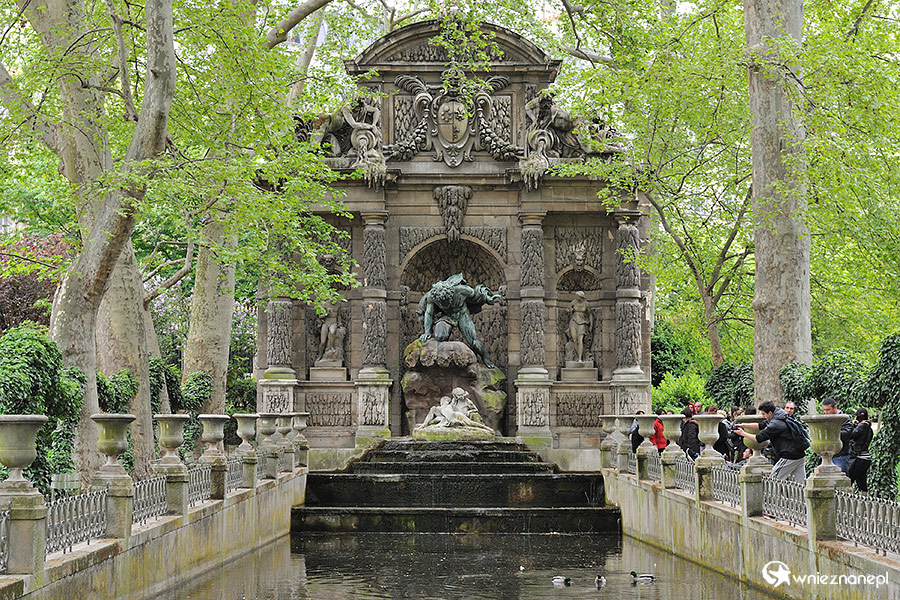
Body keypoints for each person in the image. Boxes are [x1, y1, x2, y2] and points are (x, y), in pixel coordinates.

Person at [417, 274, 503, 368]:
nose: (443, 304)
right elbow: (429, 314)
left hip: (462, 314)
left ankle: (485, 358)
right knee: (440, 336)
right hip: (446, 317)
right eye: (441, 303)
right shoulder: (431, 296)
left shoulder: (463, 290)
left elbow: (477, 295)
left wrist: (488, 298)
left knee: (473, 342)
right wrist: (427, 332)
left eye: (445, 301)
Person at [734, 401, 807, 483]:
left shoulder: (776, 424)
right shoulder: (779, 416)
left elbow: (759, 438)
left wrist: (743, 433)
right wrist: (744, 425)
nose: (763, 416)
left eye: (763, 414)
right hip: (800, 455)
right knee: (800, 484)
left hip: (790, 456)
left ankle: (770, 496)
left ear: (770, 413)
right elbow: (760, 426)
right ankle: (800, 496)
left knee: (773, 480)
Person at [823, 397, 854, 474]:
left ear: (835, 407)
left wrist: (832, 432)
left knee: (841, 481)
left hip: (840, 456)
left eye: (828, 410)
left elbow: (847, 434)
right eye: (824, 410)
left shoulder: (845, 419)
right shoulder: (824, 418)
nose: (826, 412)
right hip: (827, 455)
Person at [847, 408, 873, 493]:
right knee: (861, 482)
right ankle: (864, 502)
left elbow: (851, 435)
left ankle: (847, 501)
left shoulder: (861, 426)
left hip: (859, 458)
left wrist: (852, 425)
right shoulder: (869, 427)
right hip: (866, 458)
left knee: (849, 480)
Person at [567, 291, 593, 363]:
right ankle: (578, 356)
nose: (576, 297)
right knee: (574, 339)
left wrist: (591, 324)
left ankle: (580, 358)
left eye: (577, 296)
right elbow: (568, 309)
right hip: (573, 321)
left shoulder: (586, 304)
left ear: (581, 296)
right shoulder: (573, 302)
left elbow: (590, 314)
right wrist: (570, 310)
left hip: (583, 322)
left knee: (580, 340)